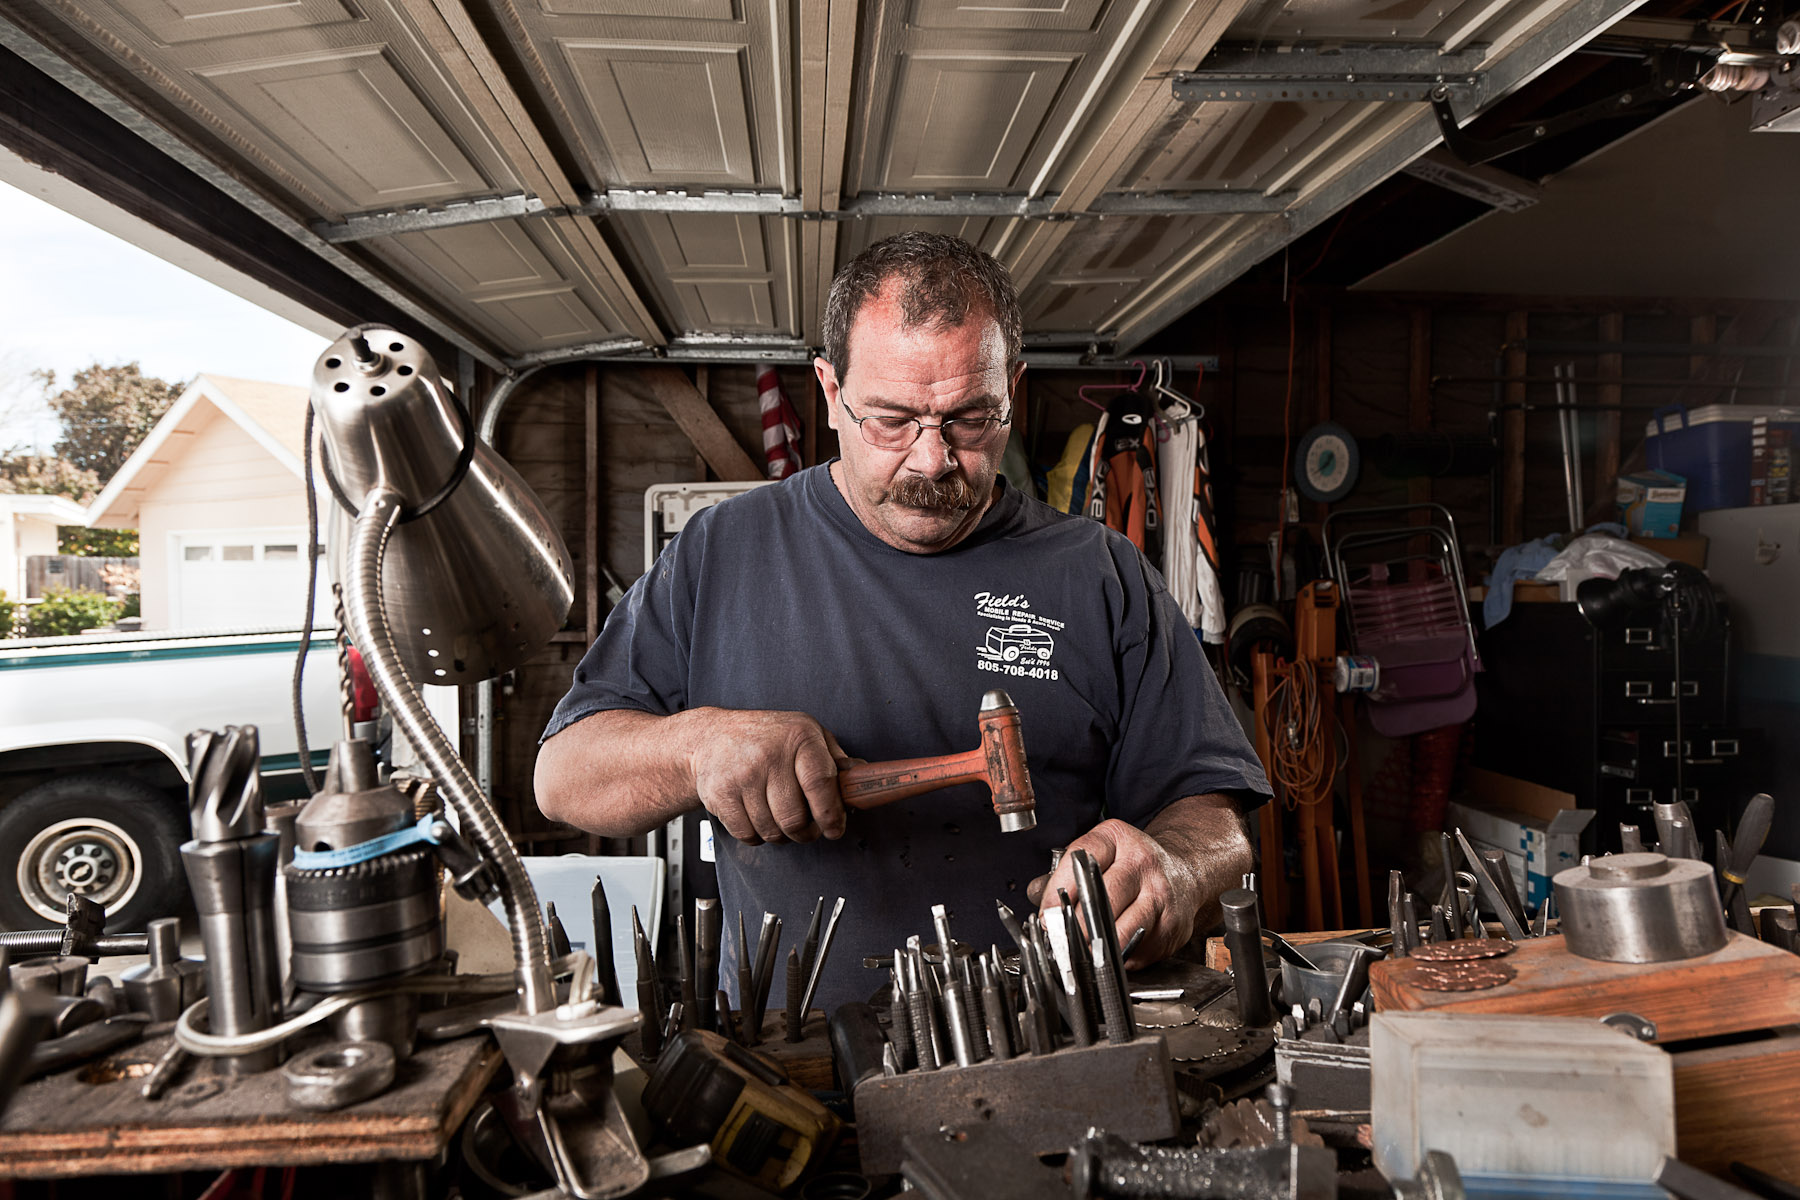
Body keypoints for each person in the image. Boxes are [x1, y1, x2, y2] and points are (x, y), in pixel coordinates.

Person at [535, 232, 1270, 1010]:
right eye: (890, 420)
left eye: (969, 419)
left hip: (1053, 1043)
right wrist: (694, 747)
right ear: (828, 391)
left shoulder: (1099, 573)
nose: (931, 461)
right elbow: (562, 776)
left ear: (1012, 390)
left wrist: (1174, 869)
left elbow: (1217, 817)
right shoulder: (723, 552)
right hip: (795, 1060)